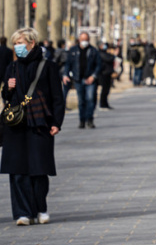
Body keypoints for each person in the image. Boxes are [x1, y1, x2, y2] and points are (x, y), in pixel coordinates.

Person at [1, 27, 65, 226]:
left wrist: (56, 123)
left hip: (40, 123)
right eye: (15, 43)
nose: (18, 47)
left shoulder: (48, 67)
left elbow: (57, 98)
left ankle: (40, 208)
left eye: (21, 42)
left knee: (39, 169)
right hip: (16, 125)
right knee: (18, 171)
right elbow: (6, 97)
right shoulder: (11, 68)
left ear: (32, 43)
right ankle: (22, 213)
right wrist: (8, 89)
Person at [62, 32, 100, 128]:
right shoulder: (73, 50)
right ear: (79, 40)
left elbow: (99, 65)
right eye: (82, 39)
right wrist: (66, 74)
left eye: (86, 40)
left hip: (90, 79)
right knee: (81, 100)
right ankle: (82, 120)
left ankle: (90, 119)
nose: (84, 42)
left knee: (90, 99)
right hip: (78, 79)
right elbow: (68, 64)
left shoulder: (93, 51)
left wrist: (93, 76)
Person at [98, 45, 116, 110]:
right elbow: (109, 59)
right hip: (103, 74)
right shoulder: (101, 53)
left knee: (107, 90)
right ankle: (102, 104)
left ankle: (105, 103)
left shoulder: (106, 53)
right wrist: (113, 55)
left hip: (108, 73)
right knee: (104, 90)